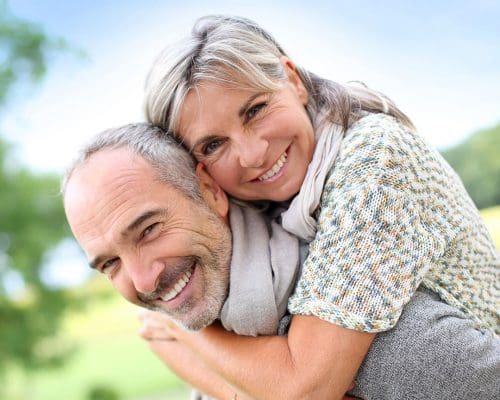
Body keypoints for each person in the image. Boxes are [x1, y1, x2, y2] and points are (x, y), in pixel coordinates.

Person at [141, 14, 500, 399]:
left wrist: (183, 325)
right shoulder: (256, 213)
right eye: (213, 145)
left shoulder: (376, 161)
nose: (253, 154)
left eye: (255, 110)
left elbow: (305, 388)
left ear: (292, 80)